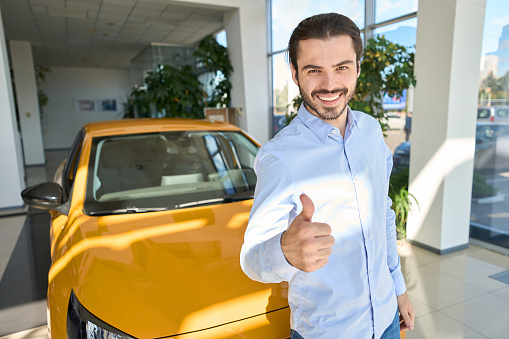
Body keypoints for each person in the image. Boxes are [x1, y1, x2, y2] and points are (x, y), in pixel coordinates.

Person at [240, 13, 415, 339]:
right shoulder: (279, 157)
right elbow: (250, 259)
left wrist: (398, 290)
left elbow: (384, 214)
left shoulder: (372, 133)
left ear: (358, 68)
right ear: (294, 73)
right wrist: (285, 251)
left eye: (342, 67)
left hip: (387, 316)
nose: (330, 84)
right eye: (314, 70)